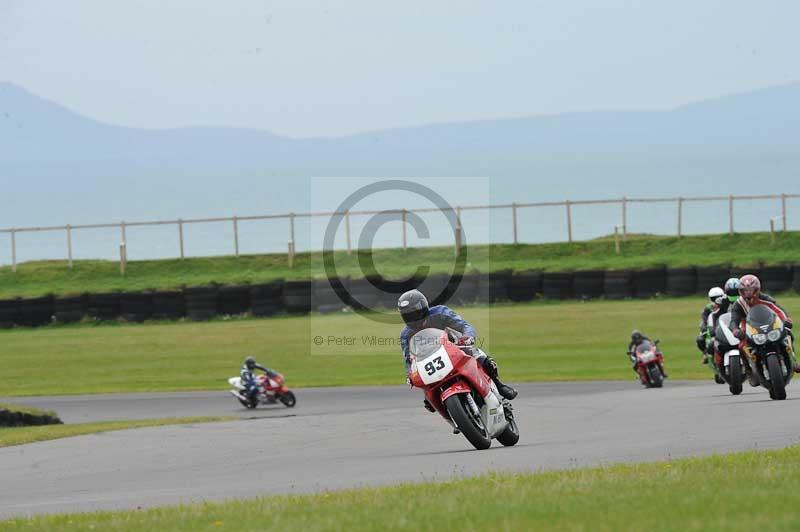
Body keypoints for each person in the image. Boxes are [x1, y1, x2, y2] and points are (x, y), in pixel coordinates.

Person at [397, 289, 518, 409]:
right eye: (407, 316)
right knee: (429, 402)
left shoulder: (441, 312)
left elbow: (464, 326)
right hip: (430, 362)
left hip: (454, 348)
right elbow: (409, 358)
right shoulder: (406, 334)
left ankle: (499, 386)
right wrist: (410, 375)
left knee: (480, 357)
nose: (412, 318)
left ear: (423, 307)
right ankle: (455, 421)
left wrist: (468, 337)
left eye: (414, 313)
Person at [729, 274, 797, 372]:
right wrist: (735, 330)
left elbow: (778, 310)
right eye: (745, 290)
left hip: (768, 323)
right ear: (740, 291)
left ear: (757, 289)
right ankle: (749, 370)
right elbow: (733, 320)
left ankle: (793, 360)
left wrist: (786, 320)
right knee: (741, 346)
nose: (748, 293)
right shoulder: (738, 304)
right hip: (749, 327)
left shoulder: (764, 298)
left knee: (788, 334)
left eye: (751, 290)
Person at [697, 287, 725, 363]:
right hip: (711, 328)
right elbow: (704, 319)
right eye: (714, 298)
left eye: (719, 297)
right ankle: (705, 353)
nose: (716, 300)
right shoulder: (708, 308)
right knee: (700, 339)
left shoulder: (725, 305)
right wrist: (704, 329)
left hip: (724, 326)